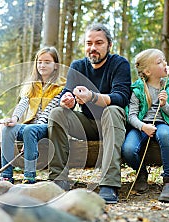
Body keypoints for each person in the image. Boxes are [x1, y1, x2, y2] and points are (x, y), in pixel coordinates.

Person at [47, 23, 131, 203]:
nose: (93, 48)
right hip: (87, 123)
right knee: (57, 113)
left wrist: (92, 97)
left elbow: (121, 97)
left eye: (99, 43)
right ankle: (58, 180)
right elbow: (67, 92)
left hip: (112, 124)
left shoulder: (119, 64)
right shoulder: (77, 66)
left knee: (113, 110)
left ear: (109, 45)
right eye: (89, 43)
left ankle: (109, 184)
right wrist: (66, 100)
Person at [121, 48, 169, 203]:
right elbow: (131, 116)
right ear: (148, 71)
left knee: (165, 135)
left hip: (162, 124)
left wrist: (164, 105)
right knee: (128, 149)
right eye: (159, 62)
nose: (165, 63)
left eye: (164, 60)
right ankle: (141, 173)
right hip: (141, 125)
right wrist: (143, 127)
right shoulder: (137, 89)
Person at [0, 47, 66, 184]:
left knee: (29, 130)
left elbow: (49, 112)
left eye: (47, 62)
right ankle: (6, 175)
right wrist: (13, 119)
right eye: (40, 62)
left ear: (55, 66)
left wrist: (28, 134)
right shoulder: (31, 85)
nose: (42, 65)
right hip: (31, 127)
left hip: (49, 127)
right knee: (7, 130)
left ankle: (29, 176)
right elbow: (22, 104)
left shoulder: (61, 86)